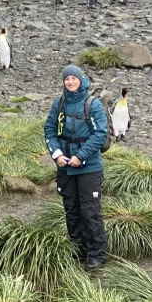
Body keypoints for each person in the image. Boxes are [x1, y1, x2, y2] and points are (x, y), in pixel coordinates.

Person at [44, 64, 108, 270]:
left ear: (81, 80)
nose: (70, 82)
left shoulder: (93, 105)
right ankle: (77, 250)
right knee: (71, 209)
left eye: (74, 78)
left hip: (89, 168)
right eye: (67, 79)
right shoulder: (59, 103)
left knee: (90, 211)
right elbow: (49, 131)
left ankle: (97, 254)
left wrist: (80, 156)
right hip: (65, 166)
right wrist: (57, 154)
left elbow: (100, 135)